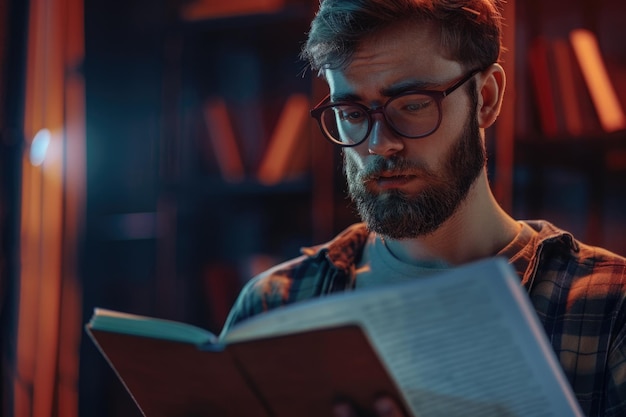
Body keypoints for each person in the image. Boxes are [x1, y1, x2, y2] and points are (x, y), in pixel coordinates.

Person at [220, 0, 626, 416]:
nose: (378, 144)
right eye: (351, 112)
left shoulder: (609, 307)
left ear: (485, 98)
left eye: (412, 105)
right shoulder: (275, 305)